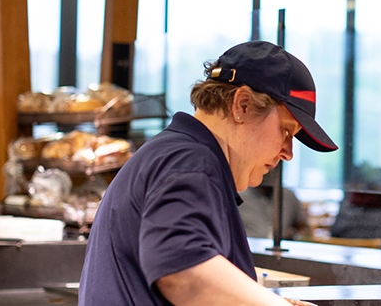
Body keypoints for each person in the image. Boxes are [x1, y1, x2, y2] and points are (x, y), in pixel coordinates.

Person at [79, 41, 337, 306]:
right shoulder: (191, 163)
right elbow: (183, 272)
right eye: (286, 131)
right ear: (243, 105)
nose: (288, 153)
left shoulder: (173, 154)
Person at [238, 167, 309, 240]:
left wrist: (295, 234)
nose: (270, 171)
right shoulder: (239, 194)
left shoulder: (288, 195)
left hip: (280, 242)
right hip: (248, 241)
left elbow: (302, 225)